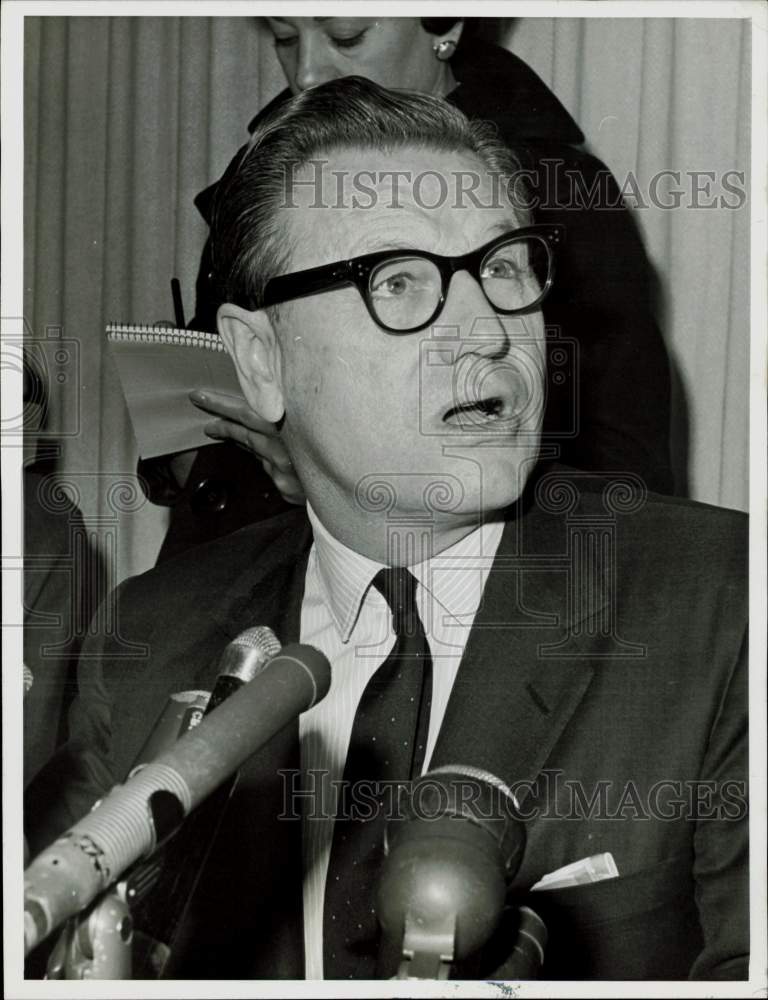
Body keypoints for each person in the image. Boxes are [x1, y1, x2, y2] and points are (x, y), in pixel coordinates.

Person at [26, 79, 746, 982]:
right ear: (260, 362)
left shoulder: (724, 602)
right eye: (399, 281)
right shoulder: (156, 636)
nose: (489, 331)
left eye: (505, 268)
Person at [142, 16, 674, 562]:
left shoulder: (559, 193)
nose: (306, 72)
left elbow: (625, 477)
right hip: (236, 585)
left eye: (346, 37)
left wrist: (335, 484)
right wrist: (190, 455)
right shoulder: (268, 182)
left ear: (446, 24)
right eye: (284, 38)